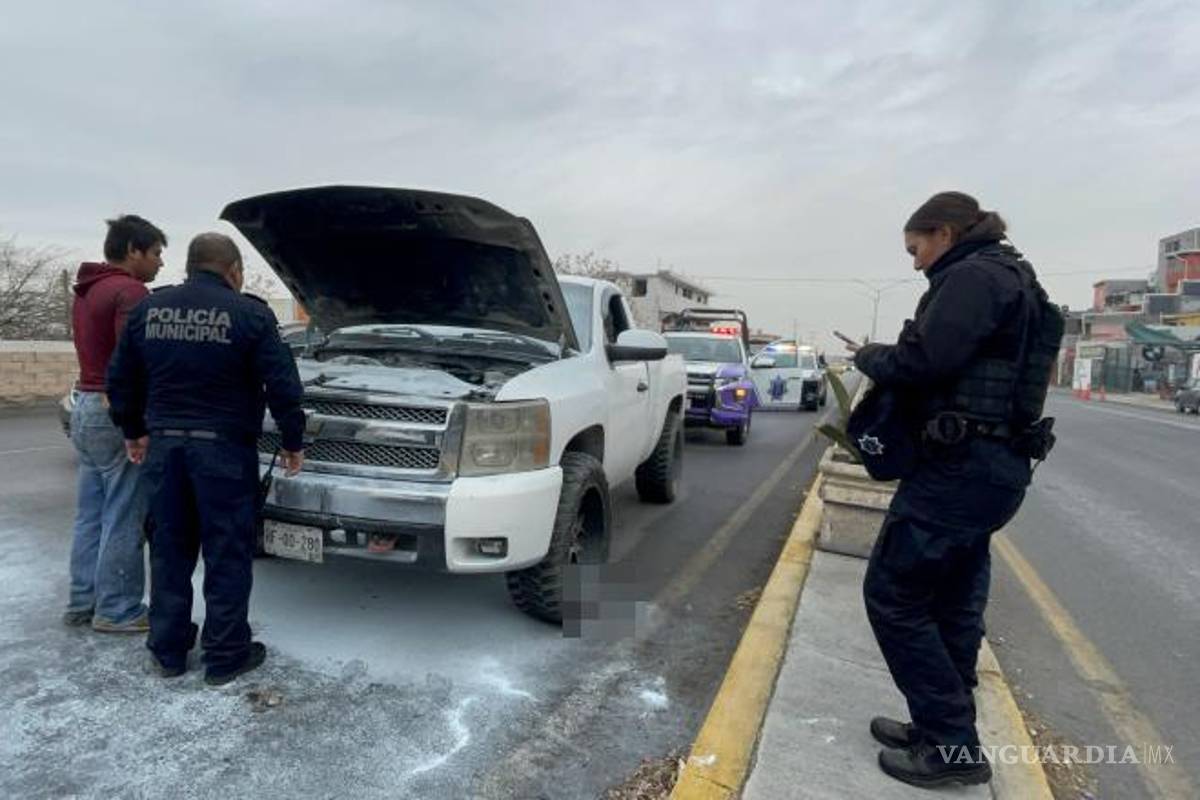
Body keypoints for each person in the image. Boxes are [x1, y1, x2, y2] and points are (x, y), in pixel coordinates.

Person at [846, 192, 1046, 788]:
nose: (915, 263)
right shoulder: (1017, 277)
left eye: (916, 248)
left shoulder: (974, 278)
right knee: (951, 603)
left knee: (894, 595)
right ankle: (941, 730)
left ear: (945, 233)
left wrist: (870, 356)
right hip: (993, 468)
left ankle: (949, 745)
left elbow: (925, 360)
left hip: (959, 471)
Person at [107, 232, 305, 685]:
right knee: (227, 552)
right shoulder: (251, 314)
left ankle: (169, 651)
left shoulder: (148, 310)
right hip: (223, 452)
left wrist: (133, 430)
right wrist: (293, 440)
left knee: (169, 549)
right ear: (233, 270)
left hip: (165, 449)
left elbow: (122, 379)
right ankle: (225, 655)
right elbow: (283, 385)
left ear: (190, 265)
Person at [65, 215, 167, 632]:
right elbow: (134, 361)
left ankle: (82, 600)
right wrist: (136, 423)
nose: (160, 263)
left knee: (91, 513)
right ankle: (119, 610)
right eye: (156, 253)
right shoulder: (130, 291)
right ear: (133, 251)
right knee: (125, 513)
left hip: (85, 405)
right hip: (114, 408)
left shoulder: (87, 292)